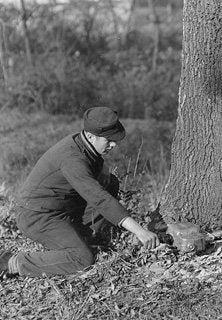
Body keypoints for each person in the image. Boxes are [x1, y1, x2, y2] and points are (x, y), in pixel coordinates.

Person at [0, 107, 160, 278]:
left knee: (109, 182)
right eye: (109, 140)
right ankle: (12, 262)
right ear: (91, 136)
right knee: (82, 259)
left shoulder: (84, 143)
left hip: (60, 207)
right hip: (37, 216)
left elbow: (101, 184)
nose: (114, 144)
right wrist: (139, 231)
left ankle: (86, 238)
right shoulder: (73, 159)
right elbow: (99, 199)